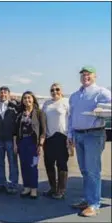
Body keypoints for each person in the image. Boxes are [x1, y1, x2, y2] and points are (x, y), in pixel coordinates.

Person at [68, 66, 111, 217]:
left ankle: (94, 204)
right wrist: (70, 135)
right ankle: (88, 199)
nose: (85, 77)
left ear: (95, 76)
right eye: (83, 74)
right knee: (85, 170)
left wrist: (100, 110)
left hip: (93, 135)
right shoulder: (74, 96)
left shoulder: (101, 92)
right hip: (78, 135)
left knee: (93, 171)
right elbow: (71, 117)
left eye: (88, 74)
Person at [14, 91, 46, 199]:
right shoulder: (20, 114)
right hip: (22, 141)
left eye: (29, 98)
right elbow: (15, 131)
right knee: (23, 165)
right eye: (25, 98)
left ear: (33, 99)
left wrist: (40, 145)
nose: (27, 100)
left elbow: (43, 131)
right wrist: (15, 144)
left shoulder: (38, 113)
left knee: (33, 166)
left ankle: (34, 189)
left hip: (33, 143)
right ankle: (26, 186)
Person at [42, 83, 71, 199]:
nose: (55, 92)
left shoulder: (66, 102)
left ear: (61, 90)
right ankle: (53, 188)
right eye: (52, 90)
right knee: (49, 163)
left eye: (57, 89)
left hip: (62, 136)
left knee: (61, 164)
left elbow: (71, 119)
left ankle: (61, 190)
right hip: (49, 137)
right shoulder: (46, 104)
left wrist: (70, 137)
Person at [0, 86, 19, 194]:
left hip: (11, 139)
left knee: (12, 162)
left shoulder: (14, 106)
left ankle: (13, 184)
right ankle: (0, 183)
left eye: (5, 93)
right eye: (1, 93)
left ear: (9, 94)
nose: (3, 94)